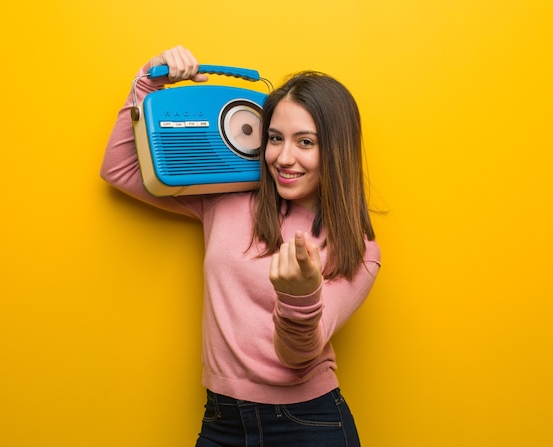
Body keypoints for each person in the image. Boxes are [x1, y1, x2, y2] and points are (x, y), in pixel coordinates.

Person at [101, 45, 381, 447]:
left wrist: (298, 296)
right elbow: (120, 169)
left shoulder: (358, 247)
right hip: (222, 419)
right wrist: (147, 85)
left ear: (336, 150)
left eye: (305, 142)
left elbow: (299, 356)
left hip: (308, 426)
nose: (284, 157)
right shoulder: (226, 197)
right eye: (274, 138)